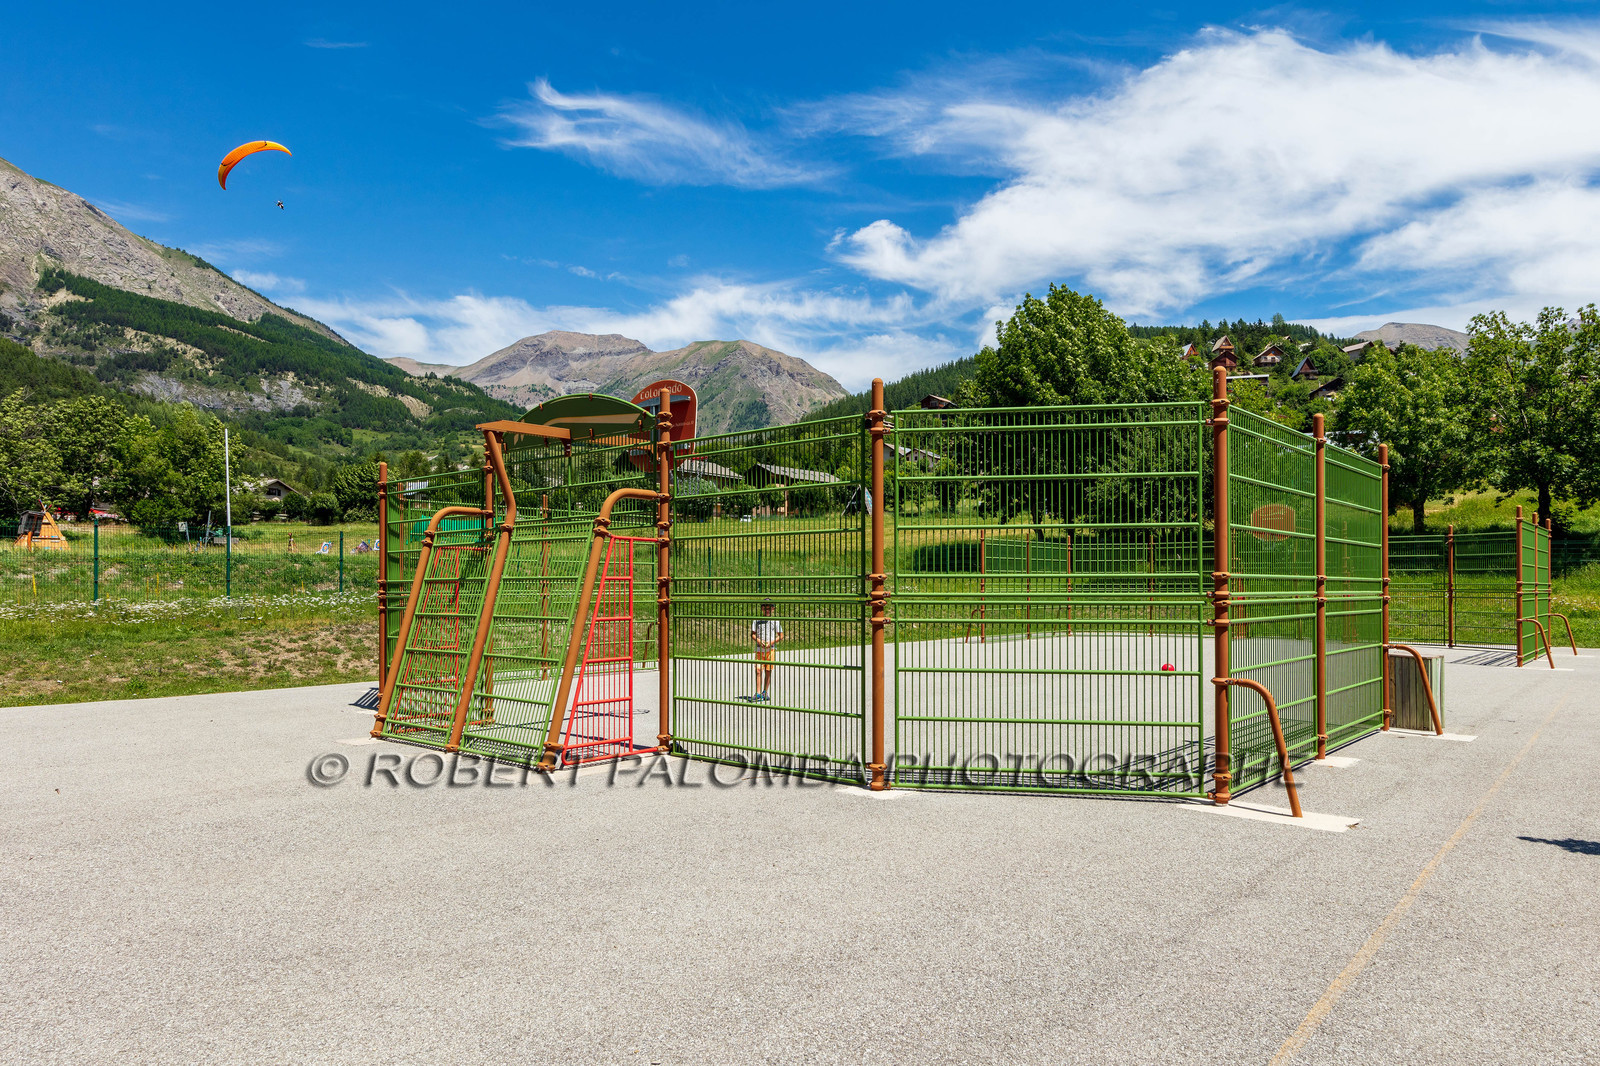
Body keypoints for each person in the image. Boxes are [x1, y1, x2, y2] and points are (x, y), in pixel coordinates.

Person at [744, 599, 783, 703]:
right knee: (758, 670)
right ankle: (757, 693)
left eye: (769, 608)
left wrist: (772, 642)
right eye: (765, 608)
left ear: (773, 609)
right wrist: (759, 640)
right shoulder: (756, 621)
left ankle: (765, 692)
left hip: (771, 650)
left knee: (768, 670)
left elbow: (781, 636)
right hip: (759, 650)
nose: (767, 610)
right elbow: (752, 634)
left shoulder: (776, 621)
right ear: (762, 608)